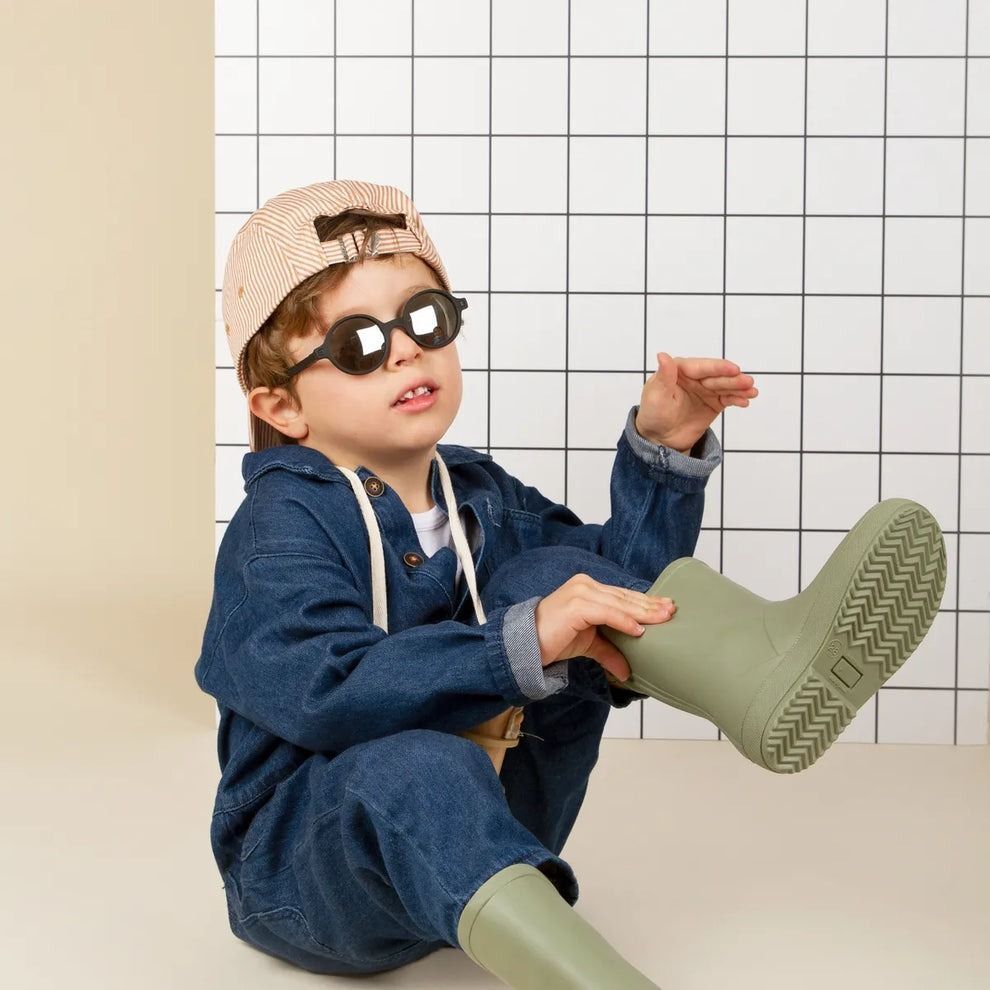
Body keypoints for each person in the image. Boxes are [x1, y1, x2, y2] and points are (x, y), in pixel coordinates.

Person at [195, 180, 945, 988]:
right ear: (283, 405)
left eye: (425, 320)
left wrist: (662, 452)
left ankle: (768, 672)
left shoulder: (476, 491)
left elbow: (618, 587)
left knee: (565, 580)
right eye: (359, 344)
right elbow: (325, 689)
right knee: (420, 762)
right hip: (310, 874)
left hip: (494, 834)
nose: (407, 351)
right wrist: (517, 645)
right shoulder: (277, 531)